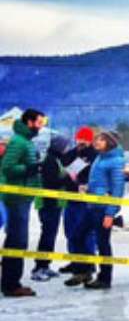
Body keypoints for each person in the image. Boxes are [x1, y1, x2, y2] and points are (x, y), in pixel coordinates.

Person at [64, 129, 125, 290]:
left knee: (103, 243)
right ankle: (84, 270)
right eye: (96, 139)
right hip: (92, 205)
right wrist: (87, 187)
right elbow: (100, 182)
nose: (97, 142)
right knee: (77, 236)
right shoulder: (99, 157)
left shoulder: (116, 161)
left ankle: (105, 278)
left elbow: (118, 189)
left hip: (103, 208)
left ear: (110, 143)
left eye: (101, 140)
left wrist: (111, 214)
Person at [1, 109, 45, 297]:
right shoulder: (19, 142)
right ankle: (12, 284)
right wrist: (31, 168)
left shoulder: (25, 141)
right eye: (38, 123)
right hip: (16, 198)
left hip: (24, 197)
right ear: (29, 122)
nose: (40, 126)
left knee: (16, 240)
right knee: (17, 241)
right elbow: (8, 168)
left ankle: (9, 281)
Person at [30, 135, 73, 282]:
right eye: (65, 146)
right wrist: (68, 178)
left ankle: (45, 265)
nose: (67, 149)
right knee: (47, 236)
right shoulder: (50, 161)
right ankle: (39, 267)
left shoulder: (55, 159)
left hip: (55, 203)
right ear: (59, 147)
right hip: (49, 203)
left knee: (50, 235)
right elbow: (51, 182)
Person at [59, 127, 97, 278]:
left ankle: (89, 262)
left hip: (85, 199)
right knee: (70, 231)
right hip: (70, 196)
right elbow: (64, 172)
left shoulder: (95, 155)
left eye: (85, 140)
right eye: (79, 139)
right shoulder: (70, 154)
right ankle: (75, 260)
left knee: (86, 232)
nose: (81, 142)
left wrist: (82, 181)